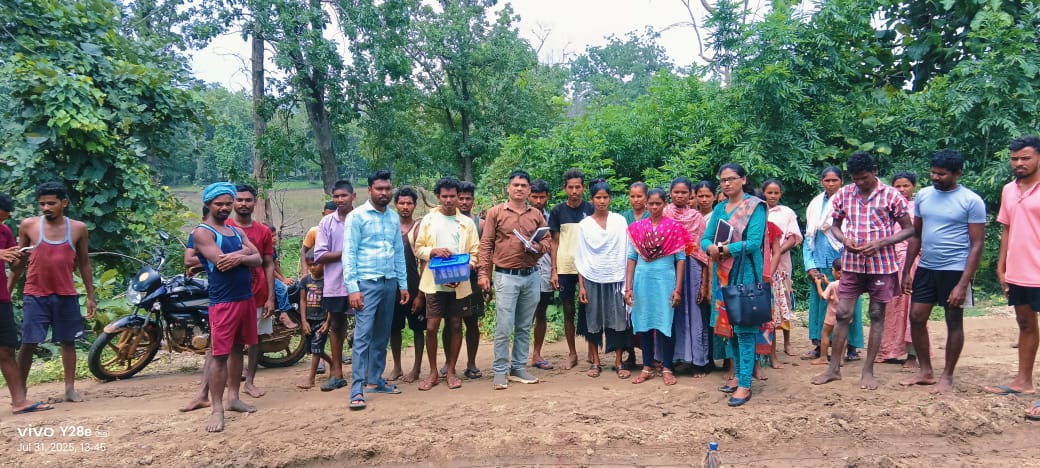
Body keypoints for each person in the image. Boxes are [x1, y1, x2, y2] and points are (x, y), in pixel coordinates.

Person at [811, 152, 913, 390]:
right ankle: (833, 369)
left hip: (883, 266)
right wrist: (844, 240)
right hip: (852, 265)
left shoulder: (891, 195)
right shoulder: (845, 194)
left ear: (874, 171)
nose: (859, 183)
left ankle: (868, 372)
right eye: (855, 178)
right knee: (843, 313)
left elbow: (909, 230)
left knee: (877, 315)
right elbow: (834, 226)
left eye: (864, 178)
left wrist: (881, 243)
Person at [896, 150, 984, 393]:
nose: (935, 177)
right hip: (927, 267)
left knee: (953, 320)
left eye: (942, 174)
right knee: (916, 317)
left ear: (957, 174)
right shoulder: (923, 196)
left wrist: (963, 284)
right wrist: (907, 271)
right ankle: (926, 371)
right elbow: (916, 235)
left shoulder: (971, 200)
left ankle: (947, 375)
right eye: (933, 172)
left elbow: (977, 244)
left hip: (955, 269)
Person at [10, 182, 95, 404]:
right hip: (35, 294)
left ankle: (69, 389)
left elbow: (84, 263)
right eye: (42, 204)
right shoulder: (28, 226)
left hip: (66, 294)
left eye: (51, 203)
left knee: (68, 341)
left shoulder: (78, 228)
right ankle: (20, 392)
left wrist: (90, 297)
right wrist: (8, 290)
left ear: (63, 203)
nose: (46, 207)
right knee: (28, 342)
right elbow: (19, 262)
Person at [190, 182, 263, 432]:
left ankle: (233, 398)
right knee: (219, 355)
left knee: (238, 349)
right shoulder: (202, 232)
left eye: (227, 204)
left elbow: (258, 259)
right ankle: (217, 408)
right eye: (219, 204)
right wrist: (245, 255)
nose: (224, 208)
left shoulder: (233, 229)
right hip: (223, 301)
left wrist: (241, 256)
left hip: (245, 298)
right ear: (208, 204)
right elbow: (221, 263)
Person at [343, 170, 410, 410]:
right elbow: (348, 254)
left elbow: (398, 253)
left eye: (388, 189)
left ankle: (375, 379)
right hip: (366, 284)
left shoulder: (392, 217)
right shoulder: (357, 217)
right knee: (363, 336)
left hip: (389, 282)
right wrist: (353, 288)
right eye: (379, 189)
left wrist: (402, 284)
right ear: (369, 190)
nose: (384, 193)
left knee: (382, 334)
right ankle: (357, 389)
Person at [701, 163, 767, 406]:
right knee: (730, 330)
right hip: (722, 274)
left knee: (744, 329)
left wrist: (726, 249)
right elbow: (706, 237)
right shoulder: (719, 208)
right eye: (723, 180)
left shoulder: (755, 207)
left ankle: (745, 385)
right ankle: (738, 375)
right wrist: (710, 247)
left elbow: (753, 242)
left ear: (743, 179)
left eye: (731, 179)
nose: (726, 183)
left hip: (745, 274)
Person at [478, 170, 550, 390]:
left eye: (524, 185)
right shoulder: (495, 213)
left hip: (531, 275)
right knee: (503, 326)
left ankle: (518, 367)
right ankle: (500, 371)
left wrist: (536, 246)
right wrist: (483, 274)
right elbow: (486, 244)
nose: (520, 188)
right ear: (508, 188)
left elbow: (547, 241)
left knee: (524, 325)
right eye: (516, 185)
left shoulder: (536, 214)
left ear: (529, 190)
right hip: (505, 276)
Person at [414, 177, 480, 390]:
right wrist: (433, 252)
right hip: (434, 283)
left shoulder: (467, 223)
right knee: (432, 327)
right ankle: (433, 372)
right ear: (438, 197)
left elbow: (475, 254)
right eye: (445, 196)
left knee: (455, 325)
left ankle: (451, 371)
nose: (449, 200)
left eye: (453, 196)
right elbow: (419, 248)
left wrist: (462, 272)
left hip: (458, 284)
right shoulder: (429, 220)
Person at [991, 136, 1040, 422]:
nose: (1019, 163)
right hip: (1018, 271)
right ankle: (1023, 380)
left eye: (1025, 158)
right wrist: (1001, 266)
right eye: (1014, 158)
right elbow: (1007, 229)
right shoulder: (1009, 189)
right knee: (1025, 324)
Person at [626, 188, 689, 386]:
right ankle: (647, 366)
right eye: (651, 204)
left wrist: (677, 288)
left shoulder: (674, 228)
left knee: (666, 324)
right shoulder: (638, 228)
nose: (654, 207)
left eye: (658, 203)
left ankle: (668, 367)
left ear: (664, 204)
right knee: (644, 324)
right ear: (646, 204)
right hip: (642, 281)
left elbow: (680, 259)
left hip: (665, 282)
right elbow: (631, 257)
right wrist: (628, 287)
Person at [802, 167, 865, 361]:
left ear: (842, 181)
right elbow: (808, 237)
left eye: (835, 180)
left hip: (846, 263)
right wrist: (810, 265)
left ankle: (852, 347)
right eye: (827, 180)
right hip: (820, 261)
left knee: (849, 305)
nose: (831, 184)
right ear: (821, 182)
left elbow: (856, 232)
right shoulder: (815, 204)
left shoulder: (851, 201)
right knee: (821, 304)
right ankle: (819, 345)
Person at [0, 193, 52, 414]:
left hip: (1, 298)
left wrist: (19, 257)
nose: (1, 223)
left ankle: (19, 401)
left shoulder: (4, 231)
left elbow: (14, 263)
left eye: (2, 219)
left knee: (6, 349)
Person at [576, 180, 631, 378]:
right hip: (592, 277)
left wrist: (628, 283)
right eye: (598, 197)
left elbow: (626, 251)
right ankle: (596, 362)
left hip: (616, 279)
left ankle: (618, 362)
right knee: (593, 320)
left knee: (618, 320)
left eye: (605, 197)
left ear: (610, 198)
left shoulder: (619, 221)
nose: (602, 201)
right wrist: (581, 286)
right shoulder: (584, 225)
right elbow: (580, 257)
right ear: (591, 199)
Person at [226, 184, 275, 399]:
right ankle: (230, 384)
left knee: (256, 340)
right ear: (233, 203)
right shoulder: (223, 227)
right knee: (229, 341)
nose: (243, 204)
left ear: (255, 203)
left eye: (248, 200)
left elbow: (268, 264)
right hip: (230, 294)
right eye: (239, 200)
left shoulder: (263, 231)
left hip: (258, 293)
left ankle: (251, 382)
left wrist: (271, 297)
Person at [663, 177, 711, 377]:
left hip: (692, 267)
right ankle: (671, 359)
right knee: (671, 312)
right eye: (676, 192)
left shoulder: (696, 217)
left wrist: (704, 283)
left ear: (690, 194)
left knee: (694, 313)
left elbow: (702, 249)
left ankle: (698, 361)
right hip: (668, 266)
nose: (680, 196)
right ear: (671, 193)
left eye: (684, 192)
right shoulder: (664, 213)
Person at [313, 180, 356, 392]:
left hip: (361, 282)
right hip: (335, 283)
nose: (340, 200)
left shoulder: (362, 219)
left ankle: (366, 372)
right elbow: (319, 254)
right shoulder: (327, 223)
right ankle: (336, 372)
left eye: (344, 196)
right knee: (336, 326)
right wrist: (346, 254)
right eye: (336, 196)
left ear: (353, 196)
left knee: (366, 325)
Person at [549, 168, 595, 370]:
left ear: (583, 188)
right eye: (571, 187)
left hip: (588, 267)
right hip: (566, 266)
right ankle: (572, 353)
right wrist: (554, 270)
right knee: (568, 310)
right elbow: (554, 242)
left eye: (578, 187)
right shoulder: (558, 211)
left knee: (590, 309)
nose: (574, 191)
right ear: (565, 189)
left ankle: (593, 351)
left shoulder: (592, 210)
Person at [877, 172, 919, 365]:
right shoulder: (886, 207)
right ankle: (888, 351)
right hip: (889, 261)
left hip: (912, 262)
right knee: (889, 306)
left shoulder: (919, 208)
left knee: (911, 307)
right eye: (898, 186)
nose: (902, 190)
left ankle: (912, 354)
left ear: (914, 187)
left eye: (906, 186)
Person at [388, 187, 426, 383]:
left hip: (413, 286)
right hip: (391, 287)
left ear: (414, 205)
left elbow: (423, 263)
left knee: (418, 328)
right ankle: (397, 366)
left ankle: (417, 368)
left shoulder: (419, 229)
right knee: (394, 328)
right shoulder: (389, 227)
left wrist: (420, 294)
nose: (405, 207)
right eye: (401, 203)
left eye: (409, 203)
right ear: (395, 205)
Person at [761, 179, 802, 357]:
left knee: (784, 299)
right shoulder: (758, 211)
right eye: (769, 192)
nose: (773, 196)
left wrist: (776, 251)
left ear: (781, 194)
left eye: (776, 192)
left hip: (782, 261)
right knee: (766, 302)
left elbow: (794, 237)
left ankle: (787, 342)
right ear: (763, 193)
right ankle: (766, 345)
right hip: (761, 262)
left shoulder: (787, 212)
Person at [619, 181, 651, 370]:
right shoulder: (624, 218)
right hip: (627, 267)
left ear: (646, 197)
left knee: (647, 310)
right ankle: (629, 352)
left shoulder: (651, 216)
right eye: (632, 196)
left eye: (640, 196)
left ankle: (651, 354)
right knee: (627, 313)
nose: (636, 199)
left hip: (648, 268)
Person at [457, 181, 485, 378]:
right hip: (450, 279)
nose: (464, 202)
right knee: (452, 322)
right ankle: (449, 363)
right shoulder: (448, 220)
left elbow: (485, 253)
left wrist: (485, 279)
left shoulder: (480, 224)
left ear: (473, 201)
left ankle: (472, 362)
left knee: (472, 322)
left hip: (473, 279)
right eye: (461, 198)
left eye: (468, 199)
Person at [528, 179, 555, 370]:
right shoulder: (521, 217)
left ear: (547, 197)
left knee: (541, 312)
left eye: (542, 197)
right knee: (522, 315)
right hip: (524, 271)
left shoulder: (552, 218)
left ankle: (537, 354)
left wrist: (555, 270)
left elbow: (555, 245)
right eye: (535, 197)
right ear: (529, 196)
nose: (538, 201)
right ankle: (518, 355)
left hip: (545, 272)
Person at [297, 251, 333, 389]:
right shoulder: (305, 281)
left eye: (315, 264)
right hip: (309, 319)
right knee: (313, 349)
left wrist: (328, 321)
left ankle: (310, 379)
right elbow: (303, 300)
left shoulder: (327, 281)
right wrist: (304, 321)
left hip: (322, 319)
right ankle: (333, 363)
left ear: (323, 264)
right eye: (309, 265)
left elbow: (330, 302)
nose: (312, 267)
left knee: (317, 348)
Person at [811, 259, 843, 366]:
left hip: (831, 316)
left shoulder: (832, 285)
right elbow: (837, 290)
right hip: (844, 316)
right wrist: (827, 281)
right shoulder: (849, 284)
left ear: (838, 273)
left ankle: (823, 357)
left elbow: (824, 296)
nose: (832, 272)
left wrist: (818, 284)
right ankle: (840, 359)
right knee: (843, 336)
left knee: (825, 334)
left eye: (833, 270)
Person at [300, 201, 336, 274]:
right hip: (318, 271)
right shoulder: (314, 231)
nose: (330, 219)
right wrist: (304, 272)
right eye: (328, 216)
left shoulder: (344, 231)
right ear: (323, 214)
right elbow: (304, 251)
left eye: (334, 217)